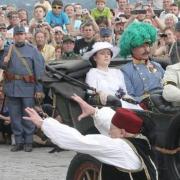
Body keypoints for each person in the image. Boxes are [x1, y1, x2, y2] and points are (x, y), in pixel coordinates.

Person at [23, 94, 158, 180]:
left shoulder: (119, 148)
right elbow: (112, 121)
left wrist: (44, 123)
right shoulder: (141, 139)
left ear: (123, 132)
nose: (109, 134)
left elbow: (79, 141)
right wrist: (94, 111)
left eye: (111, 131)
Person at [0, 25, 45, 152]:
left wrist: (39, 89)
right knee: (14, 116)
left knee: (28, 115)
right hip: (11, 87)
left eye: (21, 34)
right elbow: (3, 66)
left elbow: (39, 72)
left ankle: (29, 141)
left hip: (27, 88)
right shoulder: (8, 49)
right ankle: (18, 141)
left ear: (25, 35)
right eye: (17, 34)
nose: (19, 36)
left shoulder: (33, 50)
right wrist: (5, 56)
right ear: (14, 36)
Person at [83, 41, 142, 110]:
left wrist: (127, 97)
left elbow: (124, 92)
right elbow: (90, 92)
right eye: (102, 53)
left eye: (108, 53)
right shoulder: (92, 73)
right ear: (95, 58)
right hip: (105, 108)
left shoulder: (117, 72)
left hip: (123, 104)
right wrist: (99, 93)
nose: (106, 56)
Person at [120, 22, 165, 103]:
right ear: (132, 48)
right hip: (146, 108)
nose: (147, 50)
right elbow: (130, 98)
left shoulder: (157, 65)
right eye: (142, 46)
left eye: (147, 45)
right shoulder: (126, 70)